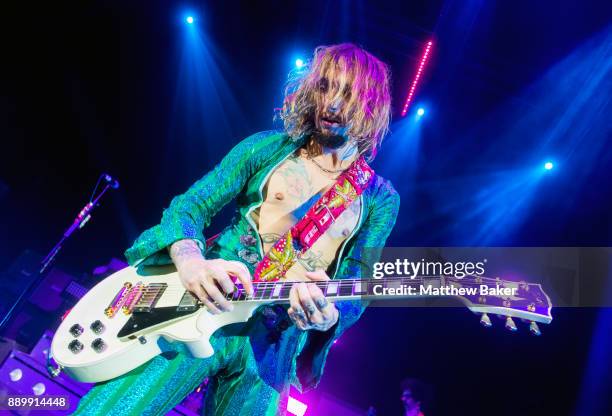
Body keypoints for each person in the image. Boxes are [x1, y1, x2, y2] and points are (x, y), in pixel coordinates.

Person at [75, 43, 400, 416]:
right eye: (326, 87)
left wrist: (330, 314)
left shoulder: (379, 198)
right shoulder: (264, 148)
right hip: (201, 302)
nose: (332, 105)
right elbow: (190, 205)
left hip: (273, 339)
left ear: (371, 105)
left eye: (347, 94)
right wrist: (191, 261)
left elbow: (359, 283)